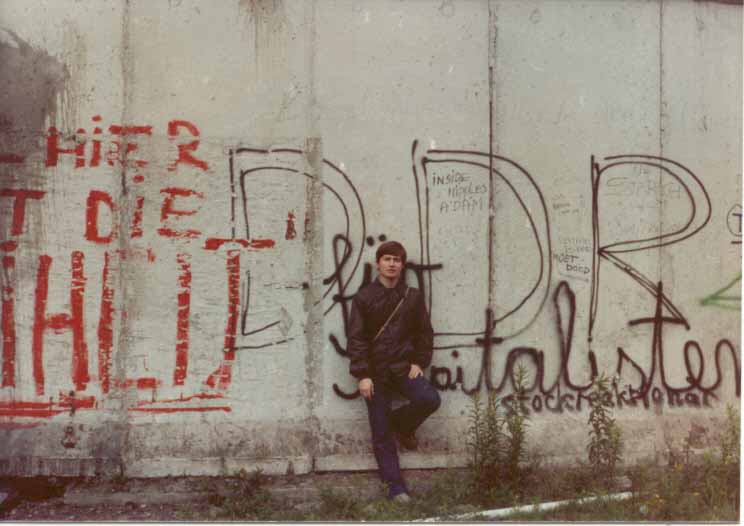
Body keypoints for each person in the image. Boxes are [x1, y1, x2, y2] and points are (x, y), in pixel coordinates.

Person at [347, 240, 441, 502]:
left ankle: (400, 424)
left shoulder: (412, 297)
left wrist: (419, 361)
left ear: (402, 265)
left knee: (429, 399)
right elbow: (356, 338)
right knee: (380, 431)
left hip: (402, 368)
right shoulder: (364, 297)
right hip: (375, 374)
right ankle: (395, 487)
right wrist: (362, 374)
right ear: (378, 263)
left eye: (396, 260)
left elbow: (424, 332)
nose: (391, 264)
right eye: (387, 259)